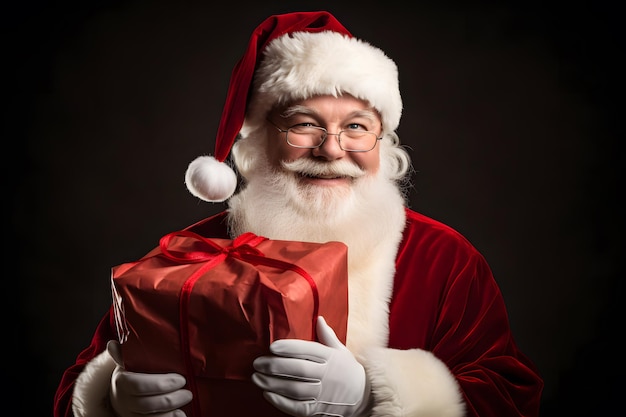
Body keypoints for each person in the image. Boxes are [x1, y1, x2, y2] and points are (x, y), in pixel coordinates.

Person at [53, 10, 543, 417]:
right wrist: (111, 400)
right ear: (260, 144)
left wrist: (375, 396)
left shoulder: (444, 259)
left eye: (356, 127)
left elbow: (511, 396)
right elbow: (77, 385)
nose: (332, 150)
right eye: (304, 125)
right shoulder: (189, 258)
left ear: (383, 143)